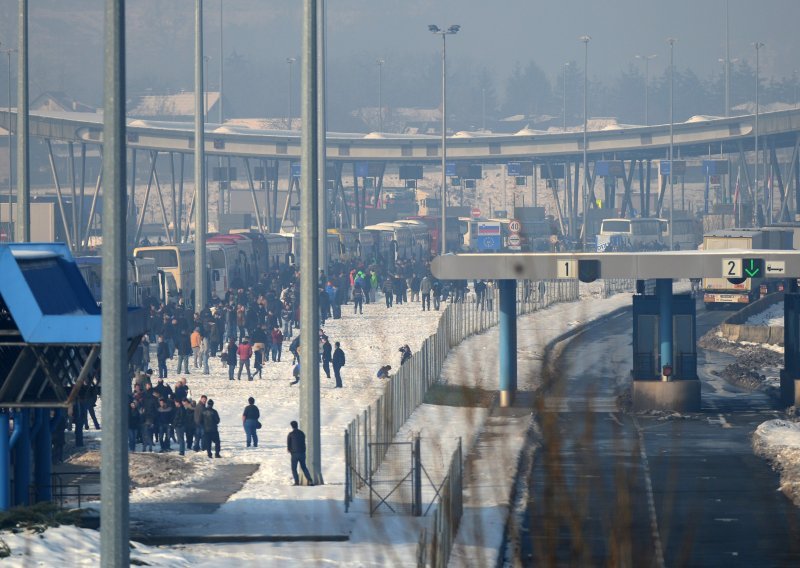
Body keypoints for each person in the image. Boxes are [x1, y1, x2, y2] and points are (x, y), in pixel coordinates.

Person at [287, 420, 314, 486]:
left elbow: (289, 445)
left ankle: (296, 482)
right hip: (302, 453)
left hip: (294, 454)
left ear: (292, 426)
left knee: (294, 468)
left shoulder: (290, 434)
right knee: (304, 467)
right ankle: (310, 480)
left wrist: (290, 451)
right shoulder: (302, 433)